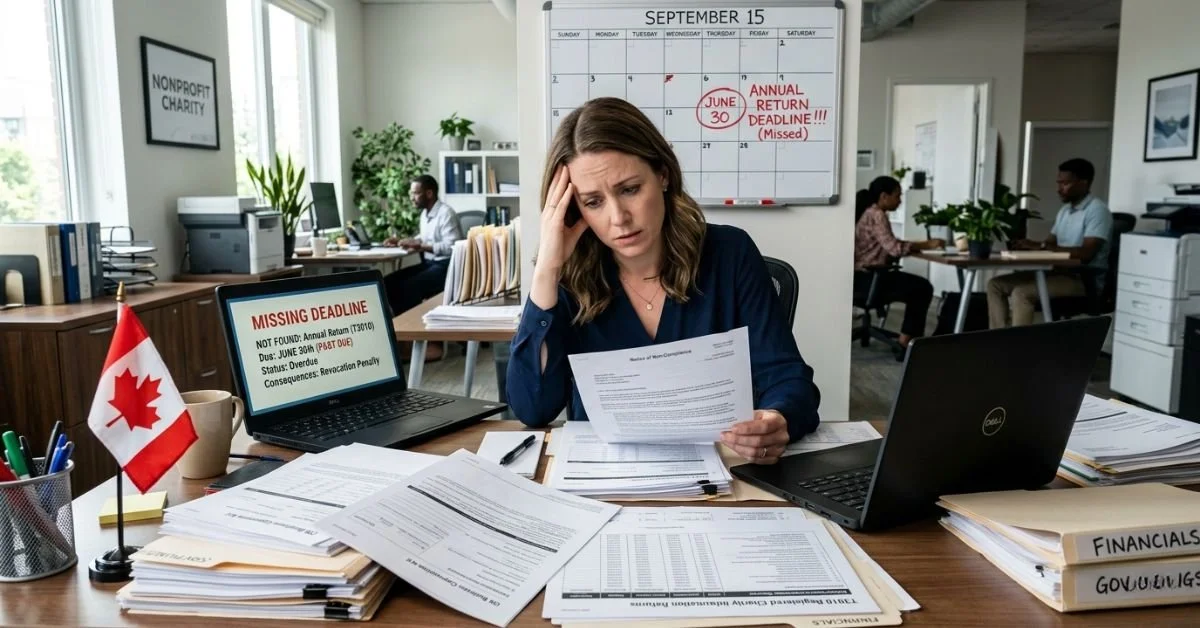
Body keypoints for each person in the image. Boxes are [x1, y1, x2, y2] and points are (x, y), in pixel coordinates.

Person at [506, 97, 820, 465]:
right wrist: (546, 269)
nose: (618, 218)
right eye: (593, 202)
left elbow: (788, 379)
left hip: (718, 478)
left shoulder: (729, 253)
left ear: (663, 174)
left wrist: (777, 419)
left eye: (629, 189)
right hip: (608, 484)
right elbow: (533, 408)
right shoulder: (570, 276)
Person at [986, 158, 1113, 329]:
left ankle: (1015, 351)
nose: (1059, 189)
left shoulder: (1097, 210)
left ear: (1083, 183)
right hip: (1054, 272)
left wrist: (1042, 247)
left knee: (1021, 293)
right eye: (1058, 183)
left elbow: (1086, 253)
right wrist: (1027, 246)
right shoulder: (1065, 211)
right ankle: (998, 341)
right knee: (995, 285)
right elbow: (1049, 243)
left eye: (1065, 183)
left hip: (1081, 279)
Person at [854, 176, 943, 351]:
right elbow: (894, 248)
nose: (900, 201)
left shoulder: (868, 212)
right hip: (870, 280)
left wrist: (913, 246)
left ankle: (908, 339)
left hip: (862, 278)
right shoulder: (877, 214)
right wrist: (927, 244)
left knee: (917, 286)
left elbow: (887, 245)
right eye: (897, 196)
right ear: (883, 196)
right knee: (922, 288)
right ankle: (907, 342)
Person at [383, 175, 462, 359]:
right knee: (388, 282)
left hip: (446, 266)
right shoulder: (425, 214)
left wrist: (421, 246)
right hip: (430, 263)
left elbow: (453, 245)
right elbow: (426, 239)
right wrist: (406, 241)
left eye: (415, 193)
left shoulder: (446, 213)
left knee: (408, 287)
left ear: (429, 193)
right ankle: (404, 341)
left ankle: (427, 343)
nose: (412, 197)